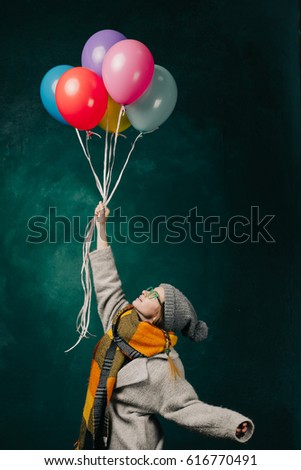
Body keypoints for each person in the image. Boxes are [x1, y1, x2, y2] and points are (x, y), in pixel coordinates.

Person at [75, 202, 255, 450]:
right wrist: (102, 227)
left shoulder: (162, 369)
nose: (145, 292)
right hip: (100, 446)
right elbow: (106, 279)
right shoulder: (120, 321)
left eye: (154, 296)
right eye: (150, 289)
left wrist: (232, 424)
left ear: (160, 317)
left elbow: (188, 409)